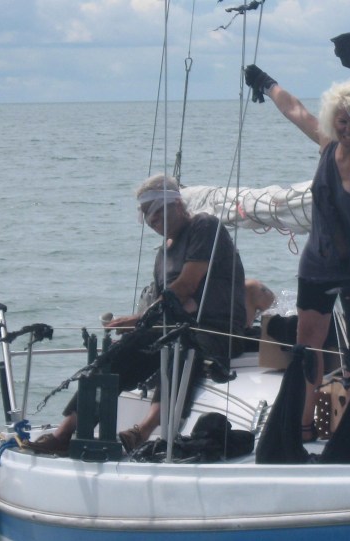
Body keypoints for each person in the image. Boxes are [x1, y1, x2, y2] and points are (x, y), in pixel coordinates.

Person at [25, 174, 248, 456]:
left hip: (217, 330)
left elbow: (186, 286)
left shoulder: (204, 227)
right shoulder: (163, 254)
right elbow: (162, 302)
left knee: (178, 344)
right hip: (175, 326)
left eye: (156, 212)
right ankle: (64, 433)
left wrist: (140, 320)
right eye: (146, 215)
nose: (152, 221)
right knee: (115, 356)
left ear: (177, 204)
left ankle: (142, 431)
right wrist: (136, 325)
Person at [245, 65, 350, 442]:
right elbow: (294, 109)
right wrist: (267, 84)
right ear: (334, 119)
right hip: (317, 264)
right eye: (343, 122)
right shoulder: (327, 145)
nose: (349, 130)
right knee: (307, 344)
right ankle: (303, 423)